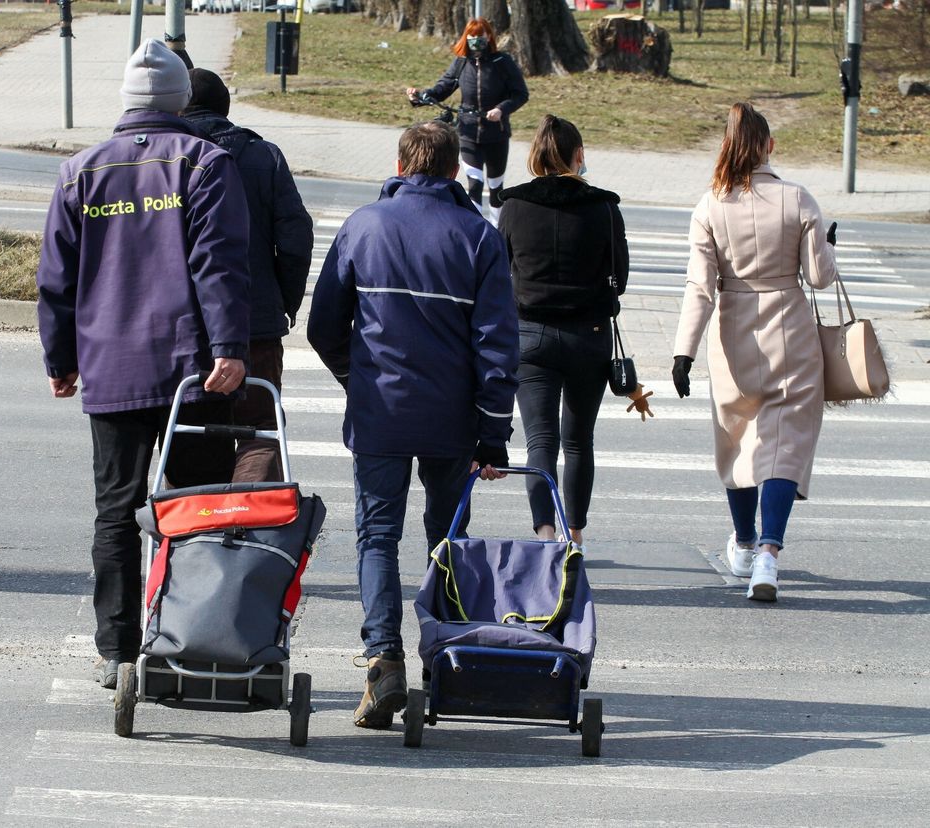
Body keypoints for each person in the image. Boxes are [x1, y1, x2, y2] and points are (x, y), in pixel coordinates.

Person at [35, 40, 251, 689]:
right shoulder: (205, 163)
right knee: (198, 510)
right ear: (180, 99)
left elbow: (56, 279)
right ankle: (192, 637)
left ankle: (118, 649)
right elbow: (219, 265)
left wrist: (61, 357)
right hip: (193, 369)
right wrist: (229, 349)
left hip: (113, 363)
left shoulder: (80, 172)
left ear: (128, 101)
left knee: (116, 510)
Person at [308, 120, 519, 730]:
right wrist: (493, 429)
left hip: (381, 413)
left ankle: (383, 661)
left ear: (401, 166)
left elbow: (323, 325)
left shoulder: (362, 226)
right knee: (446, 537)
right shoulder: (478, 237)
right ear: (456, 170)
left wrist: (358, 378)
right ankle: (446, 660)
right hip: (453, 418)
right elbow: (497, 344)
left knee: (378, 536)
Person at [672, 102, 838, 603]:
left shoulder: (710, 205)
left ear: (727, 147)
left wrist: (684, 352)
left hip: (733, 330)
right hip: (790, 325)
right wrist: (827, 243)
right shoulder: (797, 198)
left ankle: (743, 544)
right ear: (768, 146)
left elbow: (699, 288)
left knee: (738, 438)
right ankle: (769, 552)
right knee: (786, 441)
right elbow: (821, 278)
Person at [495, 115, 652, 552]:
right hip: (590, 334)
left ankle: (546, 533)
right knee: (579, 440)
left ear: (535, 156)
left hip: (531, 335)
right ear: (578, 156)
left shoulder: (514, 207)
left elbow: (497, 268)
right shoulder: (603, 208)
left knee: (540, 440)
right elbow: (619, 276)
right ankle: (575, 534)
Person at [182, 68, 315, 483]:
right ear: (226, 109)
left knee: (189, 434)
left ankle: (193, 533)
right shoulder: (263, 155)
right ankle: (246, 530)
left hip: (185, 328)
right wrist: (285, 302)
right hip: (255, 325)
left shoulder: (168, 158)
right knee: (259, 430)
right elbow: (295, 239)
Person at [405, 17, 528, 217]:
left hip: (497, 134)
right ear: (466, 37)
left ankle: (498, 231)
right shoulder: (461, 63)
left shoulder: (502, 62)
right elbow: (442, 88)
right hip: (468, 133)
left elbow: (520, 94)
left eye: (480, 35)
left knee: (497, 187)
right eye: (472, 36)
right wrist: (419, 96)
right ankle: (476, 231)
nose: (476, 39)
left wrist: (501, 109)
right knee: (474, 185)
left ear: (489, 36)